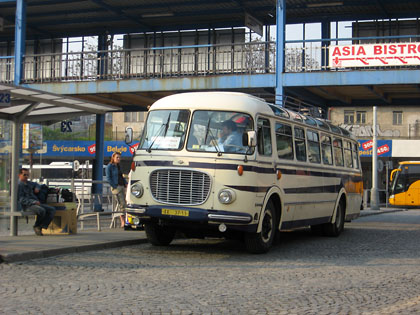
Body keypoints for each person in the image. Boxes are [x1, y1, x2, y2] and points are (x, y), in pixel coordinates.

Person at [18, 168, 56, 236]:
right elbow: (21, 199)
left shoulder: (29, 183)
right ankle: (37, 226)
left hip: (36, 202)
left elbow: (36, 184)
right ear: (19, 175)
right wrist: (33, 202)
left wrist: (37, 188)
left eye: (28, 175)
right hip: (27, 205)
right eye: (24, 175)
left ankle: (41, 226)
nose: (26, 176)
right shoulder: (19, 185)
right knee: (41, 210)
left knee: (52, 210)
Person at [106, 151, 127, 228]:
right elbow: (108, 178)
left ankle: (125, 220)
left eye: (119, 157)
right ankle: (123, 221)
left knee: (124, 203)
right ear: (113, 158)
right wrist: (114, 186)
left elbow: (121, 176)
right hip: (117, 187)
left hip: (122, 186)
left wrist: (125, 183)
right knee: (121, 204)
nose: (119, 159)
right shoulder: (110, 166)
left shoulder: (118, 166)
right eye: (117, 157)